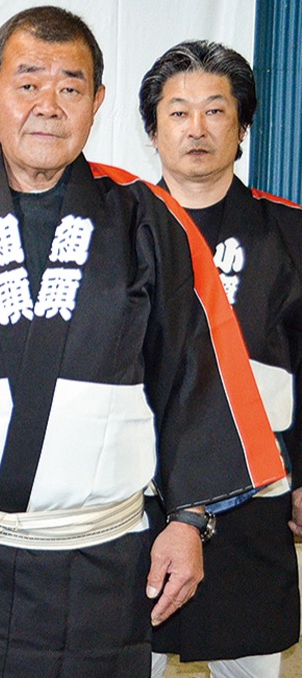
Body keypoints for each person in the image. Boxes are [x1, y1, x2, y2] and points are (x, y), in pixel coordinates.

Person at [0, 6, 286, 676]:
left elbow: (189, 375)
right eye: (28, 83)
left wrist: (188, 520)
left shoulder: (145, 218)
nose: (48, 105)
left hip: (104, 560)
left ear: (97, 102)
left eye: (70, 87)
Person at [138, 40, 302, 678]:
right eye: (178, 113)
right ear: (154, 130)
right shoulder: (117, 231)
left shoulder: (290, 233)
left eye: (215, 110)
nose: (197, 129)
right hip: (136, 500)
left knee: (250, 657)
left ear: (242, 127)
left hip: (254, 498)